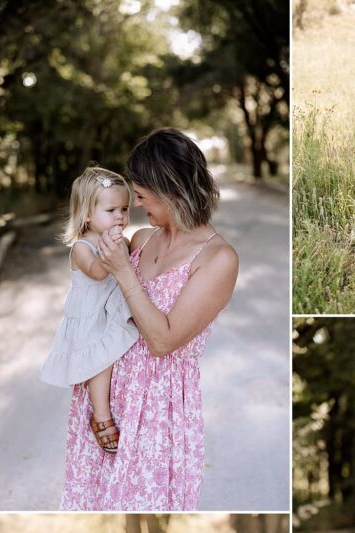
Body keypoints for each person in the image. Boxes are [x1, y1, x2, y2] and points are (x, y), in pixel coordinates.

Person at [60, 128, 239, 511]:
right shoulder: (141, 240)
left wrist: (124, 272)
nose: (137, 209)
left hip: (158, 405)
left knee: (140, 501)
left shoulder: (218, 259)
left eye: (141, 197)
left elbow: (163, 341)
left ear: (170, 189)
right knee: (94, 502)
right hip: (107, 392)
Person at [40, 167, 138, 453]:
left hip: (108, 311)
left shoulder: (120, 240)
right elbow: (97, 272)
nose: (120, 216)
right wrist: (115, 253)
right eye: (111, 210)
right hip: (90, 317)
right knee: (100, 362)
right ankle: (101, 415)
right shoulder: (82, 247)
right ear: (87, 214)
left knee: (117, 355)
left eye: (124, 208)